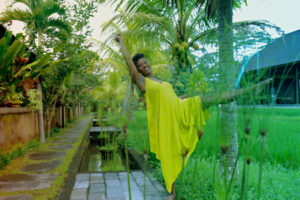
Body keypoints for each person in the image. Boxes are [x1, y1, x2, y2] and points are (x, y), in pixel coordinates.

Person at [115, 34, 271, 200]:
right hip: (170, 120)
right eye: (140, 65)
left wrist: (188, 95)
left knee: (212, 98)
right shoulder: (143, 83)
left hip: (181, 108)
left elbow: (173, 98)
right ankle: (172, 192)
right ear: (138, 70)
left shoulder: (161, 82)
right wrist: (122, 43)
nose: (144, 65)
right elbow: (129, 64)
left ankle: (248, 90)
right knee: (170, 153)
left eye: (145, 62)